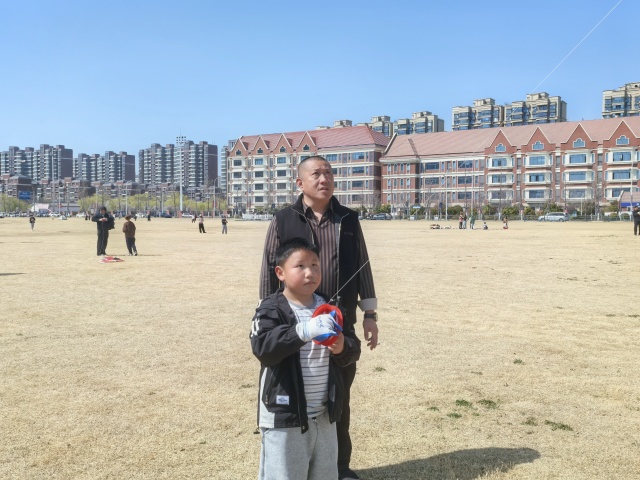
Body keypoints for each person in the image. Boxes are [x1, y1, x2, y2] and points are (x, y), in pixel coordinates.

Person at [259, 155, 378, 480]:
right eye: (316, 174)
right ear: (300, 182)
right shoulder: (283, 220)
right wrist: (268, 316)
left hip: (338, 323)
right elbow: (270, 269)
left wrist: (369, 313)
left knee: (338, 398)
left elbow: (363, 265)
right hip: (295, 323)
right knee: (297, 393)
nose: (324, 179)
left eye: (328, 173)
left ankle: (338, 467)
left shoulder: (348, 219)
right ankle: (294, 464)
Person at [251, 238, 360, 480]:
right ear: (280, 273)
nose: (310, 272)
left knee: (325, 475)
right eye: (300, 266)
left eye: (315, 265)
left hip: (325, 414)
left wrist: (342, 346)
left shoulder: (330, 308)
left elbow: (354, 349)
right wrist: (304, 330)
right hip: (285, 416)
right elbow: (263, 348)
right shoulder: (270, 308)